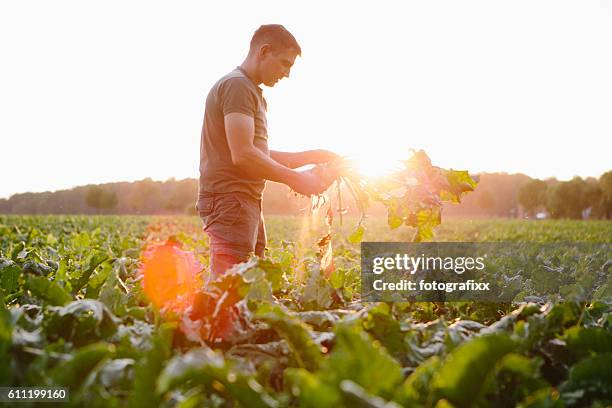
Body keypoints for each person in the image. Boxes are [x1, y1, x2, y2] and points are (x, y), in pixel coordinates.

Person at [197, 24, 339, 275]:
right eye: (285, 63)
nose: (287, 74)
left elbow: (255, 152)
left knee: (249, 288)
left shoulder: (252, 92)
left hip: (244, 200)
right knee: (228, 291)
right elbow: (243, 155)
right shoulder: (237, 86)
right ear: (264, 52)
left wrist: (310, 156)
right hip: (231, 199)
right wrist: (296, 180)